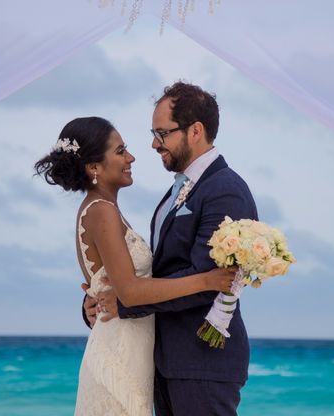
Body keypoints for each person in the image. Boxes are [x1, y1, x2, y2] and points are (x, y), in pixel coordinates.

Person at [34, 116, 237, 416]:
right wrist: (207, 280)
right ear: (93, 168)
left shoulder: (106, 210)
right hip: (120, 354)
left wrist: (95, 297)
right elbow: (129, 292)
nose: (131, 157)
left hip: (135, 352)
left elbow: (116, 284)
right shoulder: (101, 212)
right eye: (120, 151)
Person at [86, 82, 258, 416]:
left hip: (203, 361)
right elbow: (158, 270)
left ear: (196, 131)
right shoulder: (179, 190)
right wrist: (100, 295)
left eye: (162, 133)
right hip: (167, 362)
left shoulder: (225, 191)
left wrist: (126, 303)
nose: (154, 143)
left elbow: (206, 281)